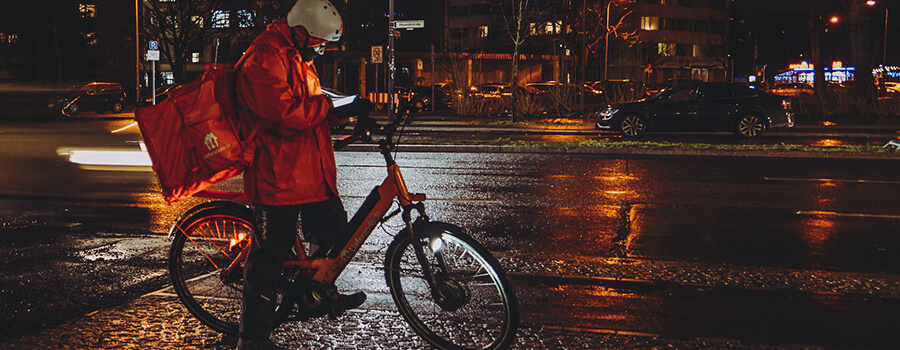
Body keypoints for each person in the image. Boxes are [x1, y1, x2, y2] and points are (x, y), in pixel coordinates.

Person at [233, 0, 368, 349]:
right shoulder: (265, 58)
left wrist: (345, 111)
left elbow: (311, 103)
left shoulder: (295, 54)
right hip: (276, 176)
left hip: (309, 171)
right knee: (268, 259)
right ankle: (253, 339)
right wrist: (330, 108)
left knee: (334, 232)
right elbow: (285, 114)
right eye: (320, 42)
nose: (322, 49)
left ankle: (317, 292)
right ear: (300, 33)